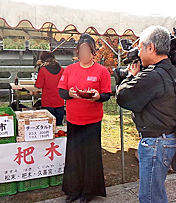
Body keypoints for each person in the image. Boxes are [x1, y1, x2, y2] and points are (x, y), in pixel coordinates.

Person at [116, 26, 176, 203]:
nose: (138, 53)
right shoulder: (171, 70)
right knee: (156, 193)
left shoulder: (153, 76)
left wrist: (130, 77)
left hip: (156, 143)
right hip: (167, 138)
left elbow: (123, 97)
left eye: (140, 48)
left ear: (151, 48)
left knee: (150, 197)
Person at [58, 33, 111, 203]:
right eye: (81, 51)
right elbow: (61, 92)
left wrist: (97, 96)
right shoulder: (70, 69)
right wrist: (70, 94)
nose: (84, 54)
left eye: (87, 51)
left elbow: (106, 95)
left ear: (93, 52)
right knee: (74, 155)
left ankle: (89, 191)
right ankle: (73, 190)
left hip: (92, 120)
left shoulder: (102, 71)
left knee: (90, 156)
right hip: (73, 119)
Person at [35, 51, 64, 125]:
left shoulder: (43, 70)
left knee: (48, 126)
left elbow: (39, 85)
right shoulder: (62, 70)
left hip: (47, 102)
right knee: (59, 126)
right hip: (60, 102)